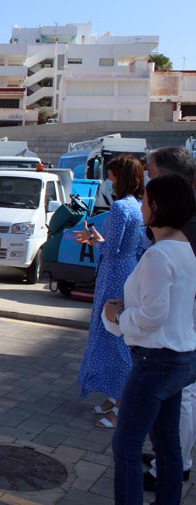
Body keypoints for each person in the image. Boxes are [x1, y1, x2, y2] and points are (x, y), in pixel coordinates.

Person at [106, 174, 196, 505]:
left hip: (155, 361)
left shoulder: (159, 256)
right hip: (181, 358)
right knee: (167, 445)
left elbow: (153, 315)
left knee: (126, 445)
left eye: (145, 202)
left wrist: (118, 317)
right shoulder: (185, 249)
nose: (141, 207)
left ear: (156, 208)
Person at [74, 155, 145, 429]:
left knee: (112, 335)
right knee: (115, 335)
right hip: (125, 269)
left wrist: (91, 239)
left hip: (114, 272)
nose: (109, 180)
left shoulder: (119, 208)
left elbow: (110, 247)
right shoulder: (136, 206)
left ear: (120, 177)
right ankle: (115, 397)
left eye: (112, 176)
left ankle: (121, 401)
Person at [140, 147, 196, 491]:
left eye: (150, 172)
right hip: (180, 319)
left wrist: (124, 319)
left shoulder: (186, 220)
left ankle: (175, 464)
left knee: (185, 393)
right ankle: (170, 457)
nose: (146, 179)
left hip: (182, 323)